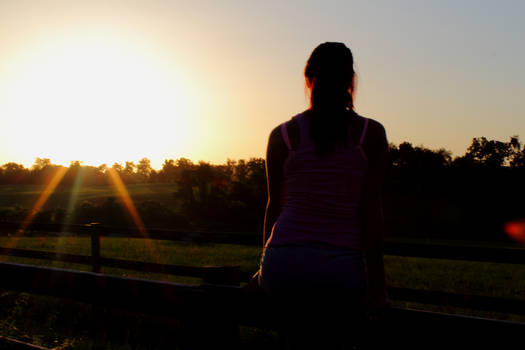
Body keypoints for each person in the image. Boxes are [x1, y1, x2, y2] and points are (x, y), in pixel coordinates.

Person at [255, 42, 389, 349]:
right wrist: (377, 286)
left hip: (283, 265)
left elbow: (274, 206)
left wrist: (262, 269)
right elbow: (371, 212)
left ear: (307, 78)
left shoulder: (282, 136)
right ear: (351, 80)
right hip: (340, 270)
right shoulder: (370, 134)